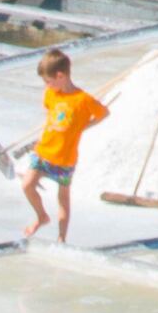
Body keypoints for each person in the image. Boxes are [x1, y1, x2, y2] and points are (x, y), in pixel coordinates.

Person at [25, 47, 104, 242]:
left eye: (48, 81)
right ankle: (41, 216)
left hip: (65, 159)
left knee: (63, 199)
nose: (47, 85)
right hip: (43, 153)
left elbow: (104, 113)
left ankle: (61, 237)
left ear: (60, 76)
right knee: (27, 185)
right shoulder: (50, 94)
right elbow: (51, 117)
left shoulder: (83, 100)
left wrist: (84, 126)